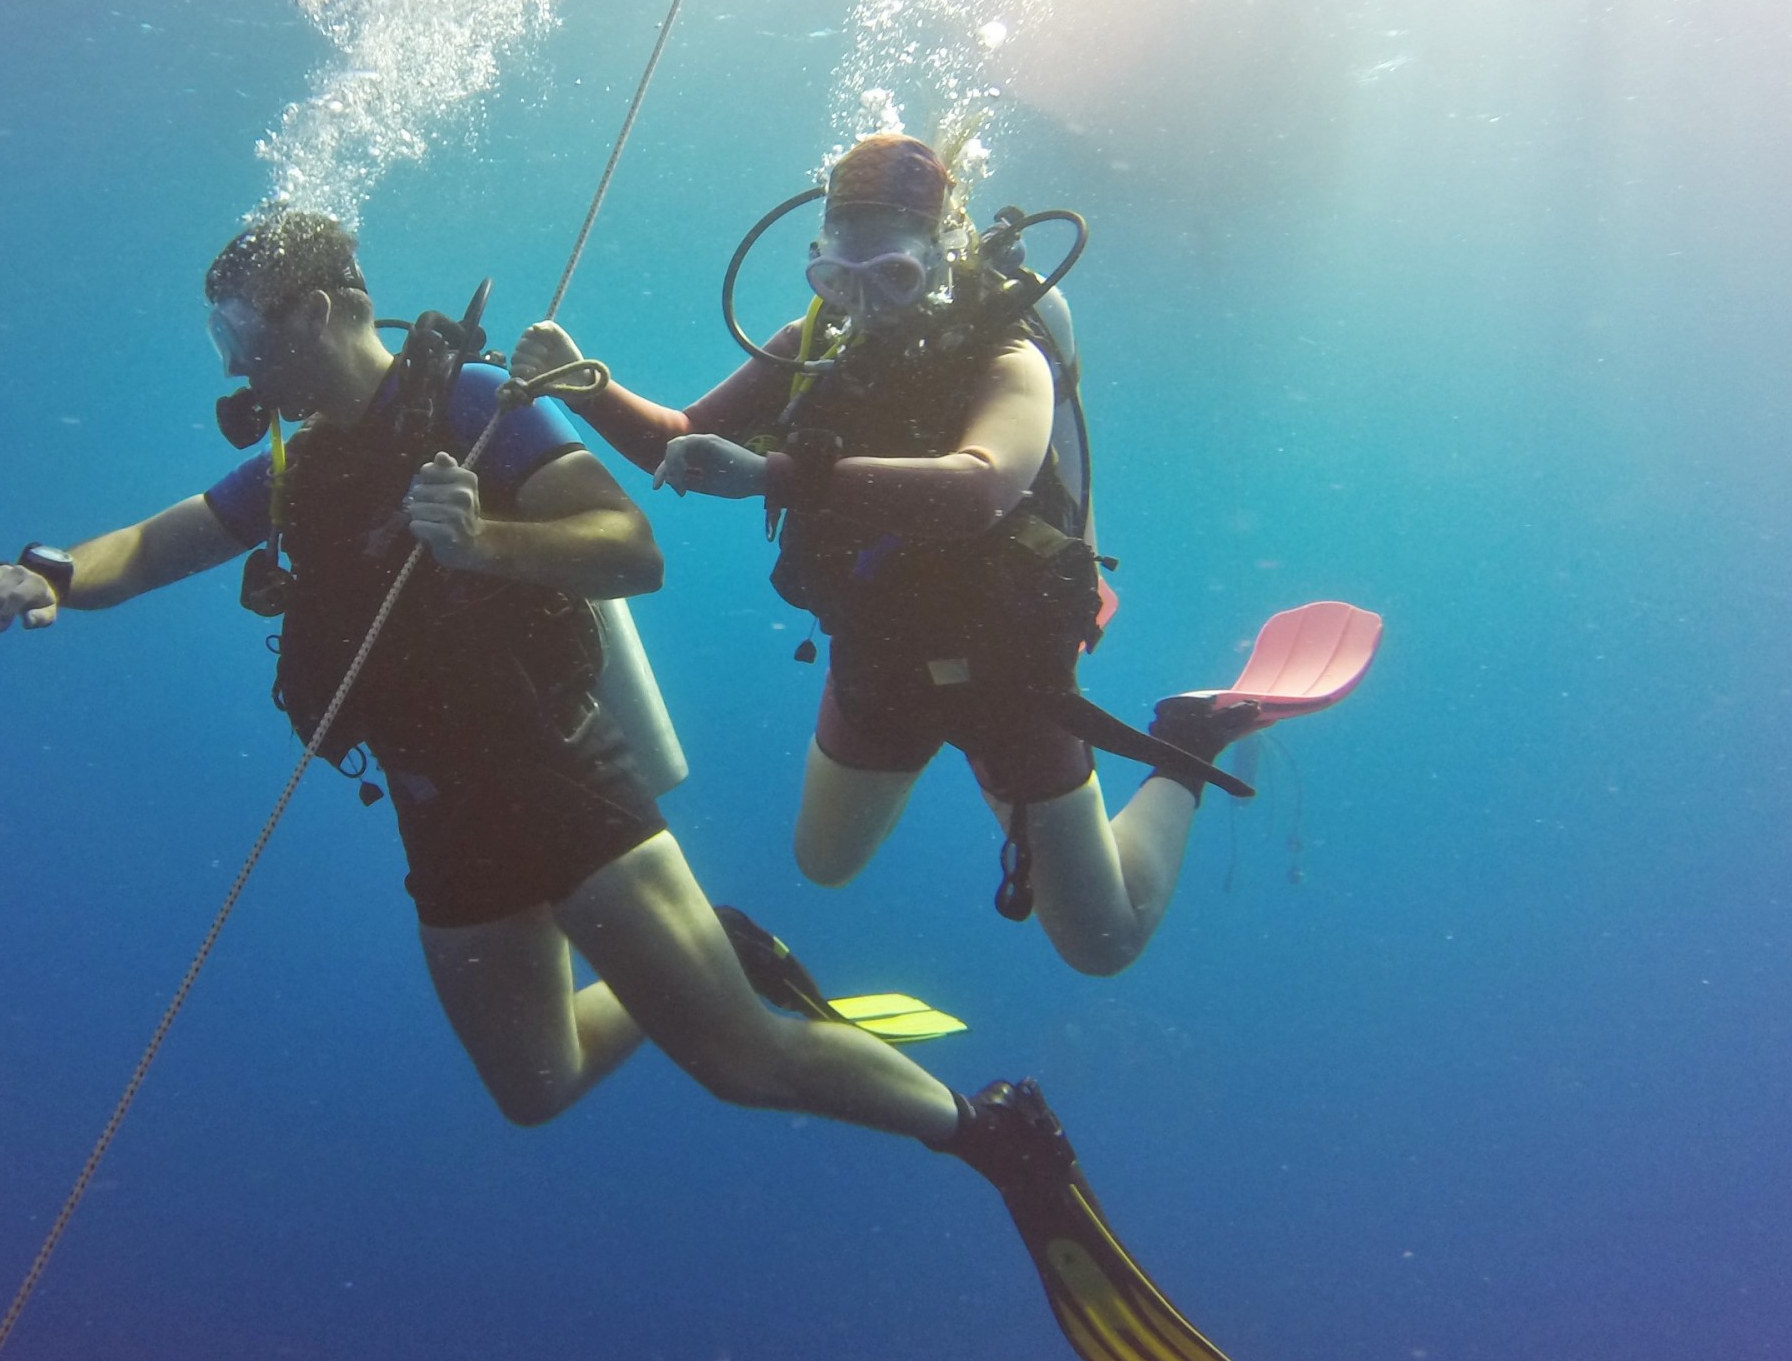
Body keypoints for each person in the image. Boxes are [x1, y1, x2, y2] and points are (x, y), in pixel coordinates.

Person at [0, 207, 1320, 1361]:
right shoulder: (297, 461)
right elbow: (165, 540)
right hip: (442, 816)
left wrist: (485, 542)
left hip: (561, 785)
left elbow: (629, 544)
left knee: (740, 1059)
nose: (234, 361)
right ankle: (724, 950)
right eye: (223, 336)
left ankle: (991, 1132)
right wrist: (51, 570)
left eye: (242, 330)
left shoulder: (471, 408)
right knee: (536, 1083)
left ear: (318, 310)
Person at [510, 133, 1377, 978]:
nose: (865, 305)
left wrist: (775, 474)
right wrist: (585, 384)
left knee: (1103, 942)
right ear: (817, 264)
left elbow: (982, 486)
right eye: (838, 278)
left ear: (941, 254)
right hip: (878, 659)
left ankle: (1187, 735)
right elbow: (682, 439)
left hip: (1011, 672)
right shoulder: (811, 345)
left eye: (892, 276)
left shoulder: (1008, 353)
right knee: (824, 862)